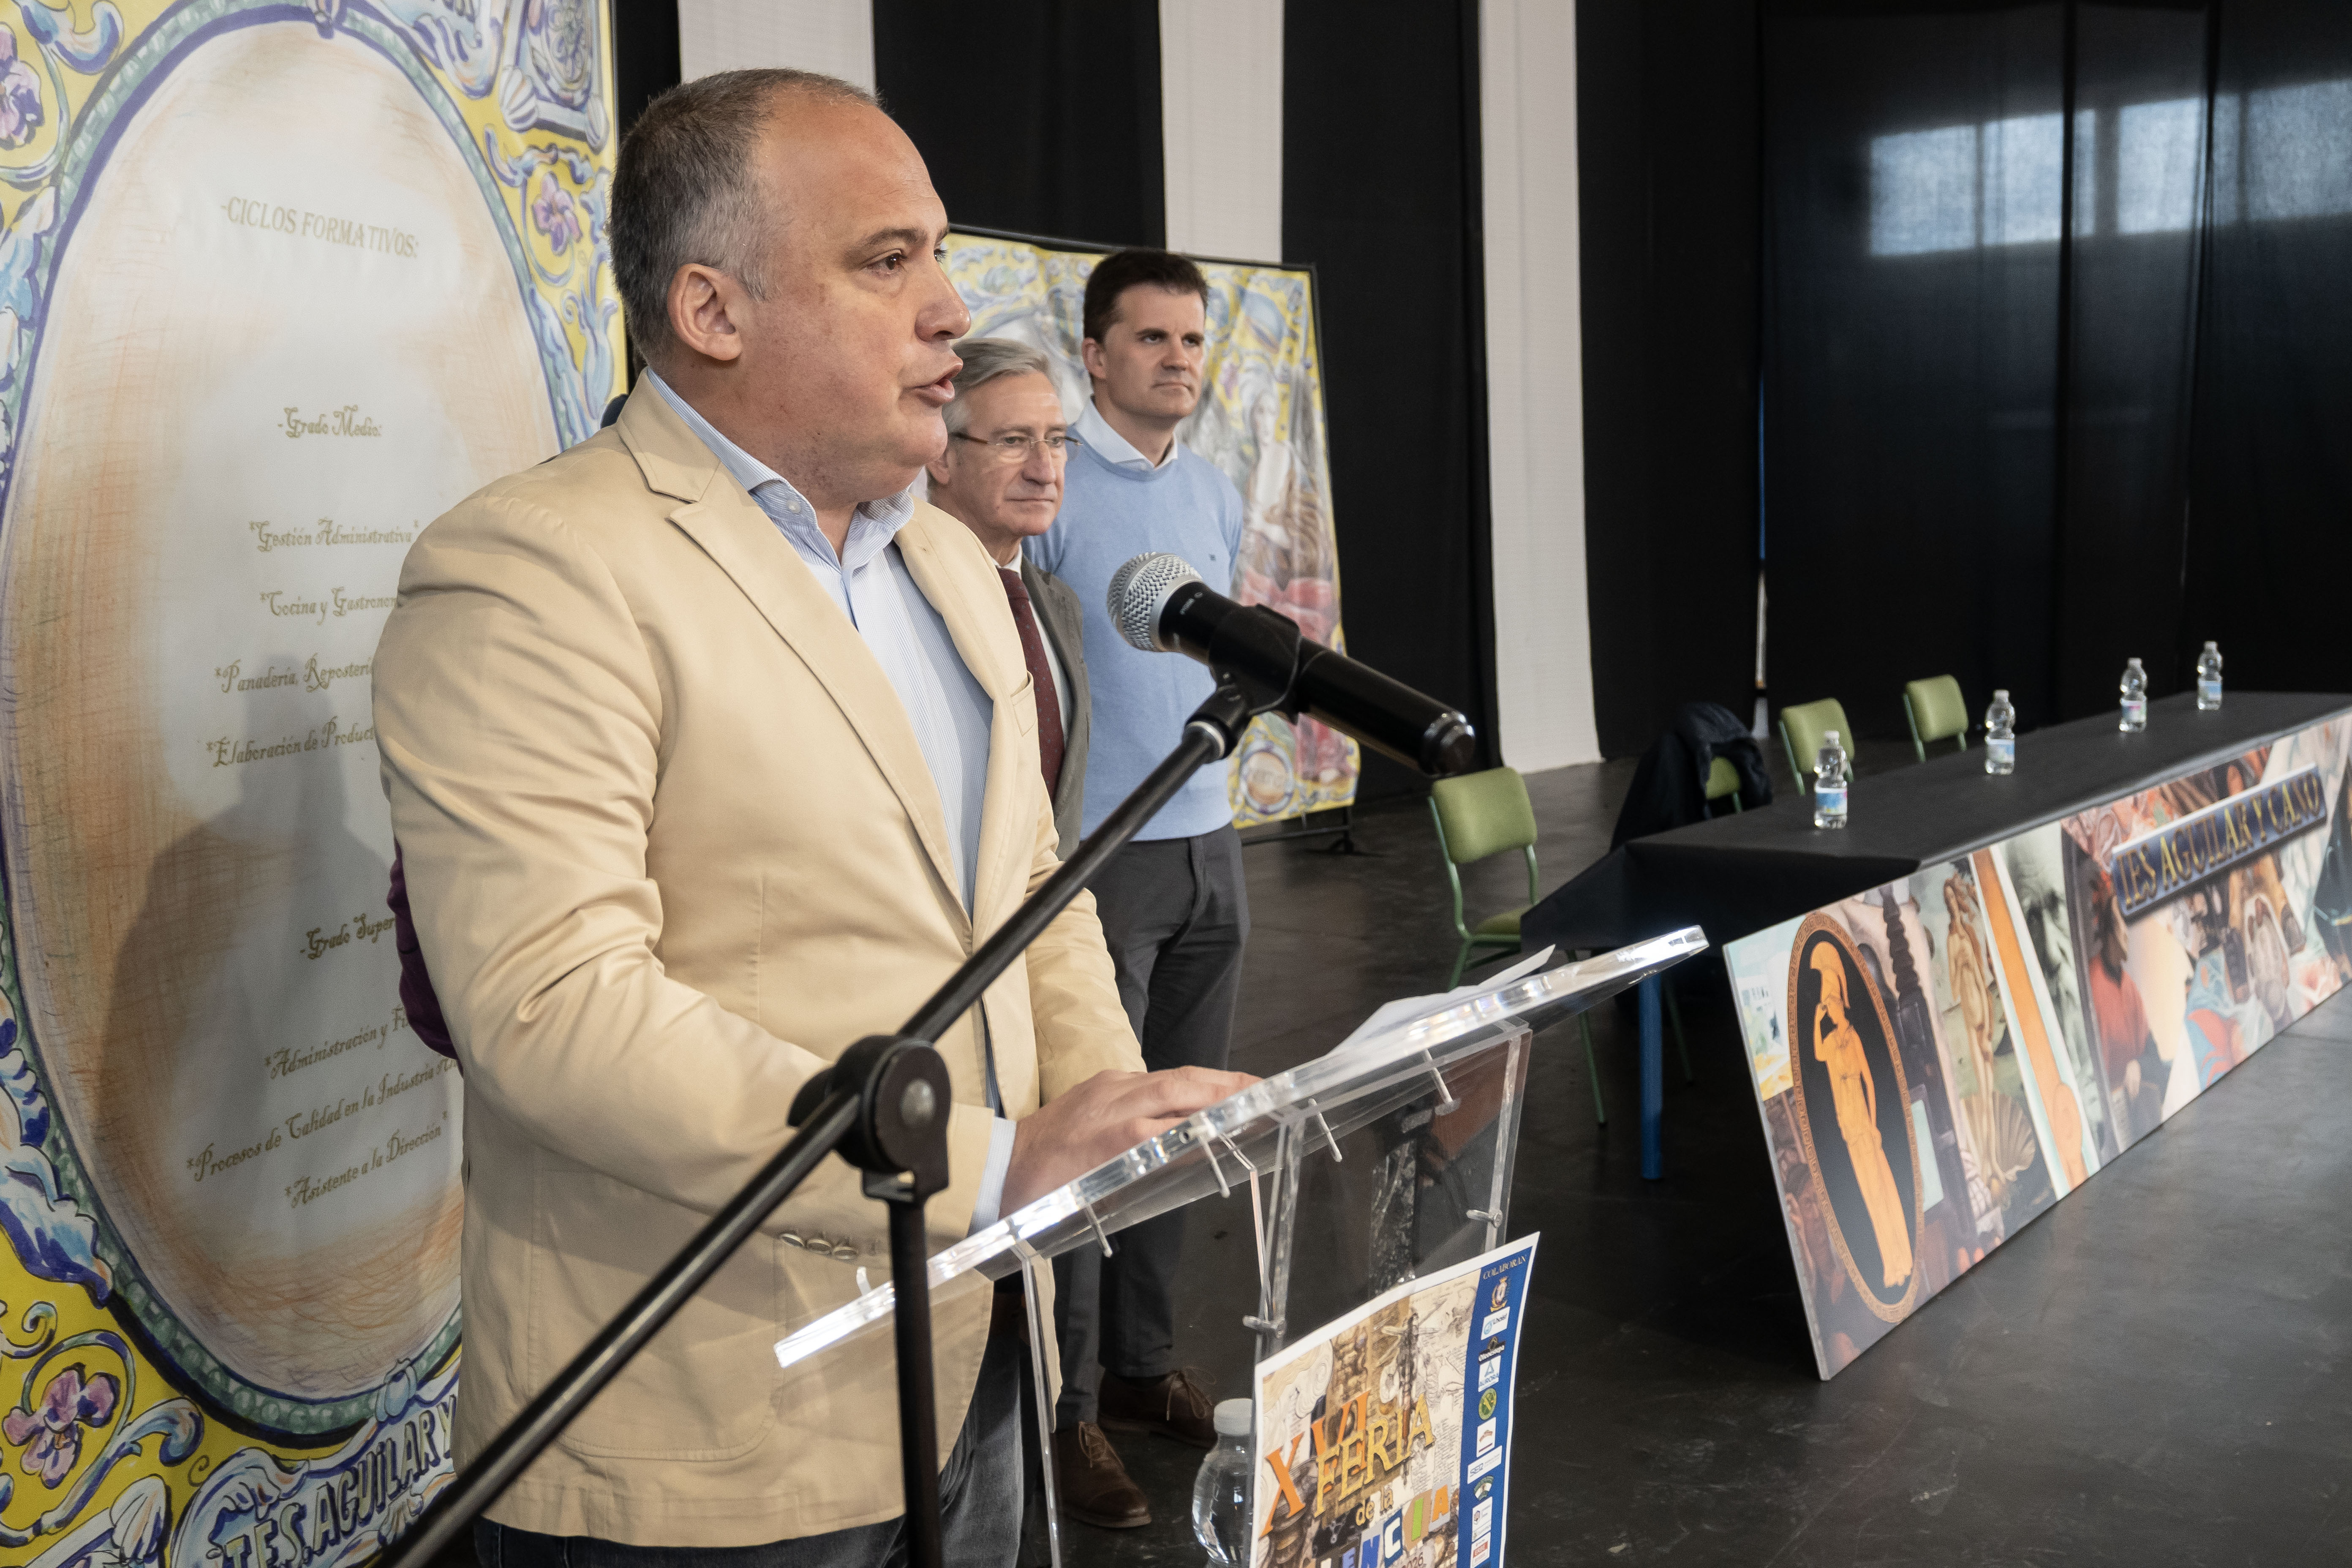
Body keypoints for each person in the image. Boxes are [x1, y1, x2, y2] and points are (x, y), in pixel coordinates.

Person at [373, 70, 1248, 1565]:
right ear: (713, 310)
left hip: (979, 1358)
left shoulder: (949, 561)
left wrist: (1105, 1119)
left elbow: (1026, 890)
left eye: (937, 255)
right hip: (711, 1423)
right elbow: (552, 1008)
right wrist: (987, 1166)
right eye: (886, 260)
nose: (949, 310)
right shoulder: (531, 572)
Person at [1026, 250, 1249, 1527]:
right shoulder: (1054, 485)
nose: (1176, 359)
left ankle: (1139, 1365)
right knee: (1086, 1130)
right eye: (1151, 338)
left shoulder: (1211, 490)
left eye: (1191, 340)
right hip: (1101, 863)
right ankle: (1066, 1416)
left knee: (1175, 1132)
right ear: (1096, 355)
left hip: (1214, 847)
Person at [924, 338, 1089, 858]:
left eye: (1056, 441)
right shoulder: (891, 598)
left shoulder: (1059, 606)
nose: (1045, 470)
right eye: (1014, 441)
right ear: (941, 456)